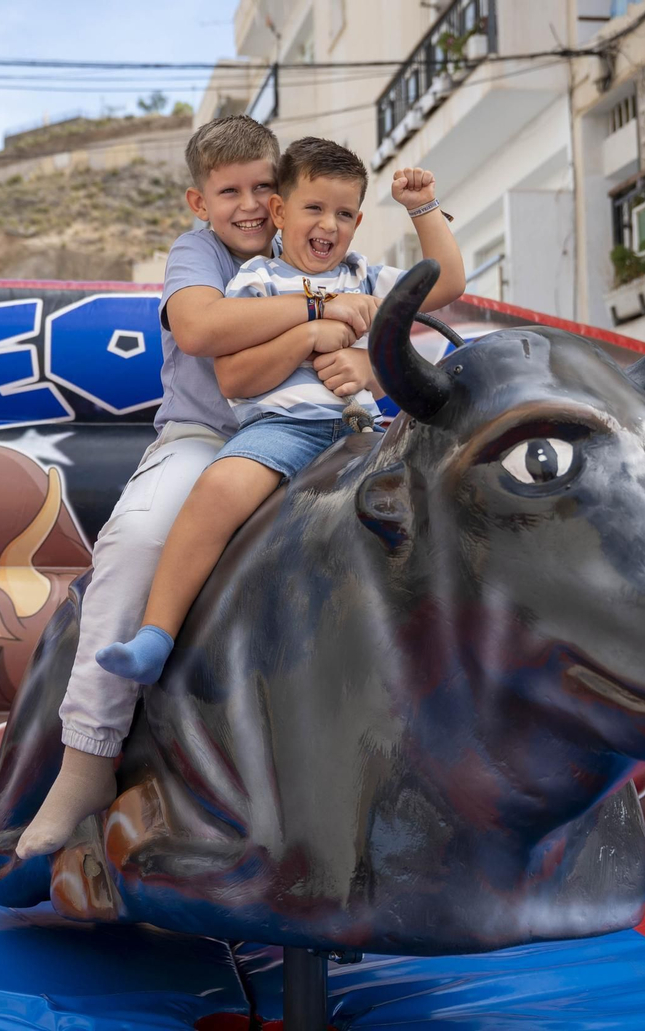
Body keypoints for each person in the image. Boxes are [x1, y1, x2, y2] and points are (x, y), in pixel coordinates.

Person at [14, 118, 383, 859]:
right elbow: (199, 326)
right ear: (199, 200)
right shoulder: (203, 253)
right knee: (140, 537)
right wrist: (318, 314)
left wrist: (366, 359)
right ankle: (87, 756)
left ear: (285, 196)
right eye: (229, 192)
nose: (248, 205)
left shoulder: (335, 253)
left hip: (321, 429)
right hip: (208, 437)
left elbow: (400, 322)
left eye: (262, 188)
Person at [96, 137, 464, 688]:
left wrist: (423, 209)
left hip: (362, 431)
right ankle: (156, 633)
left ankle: (456, 636)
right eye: (313, 208)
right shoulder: (254, 282)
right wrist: (307, 335)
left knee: (437, 493)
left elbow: (448, 286)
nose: (329, 225)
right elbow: (234, 377)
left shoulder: (362, 276)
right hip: (281, 430)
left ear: (359, 222)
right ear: (280, 213)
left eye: (343, 214)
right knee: (218, 489)